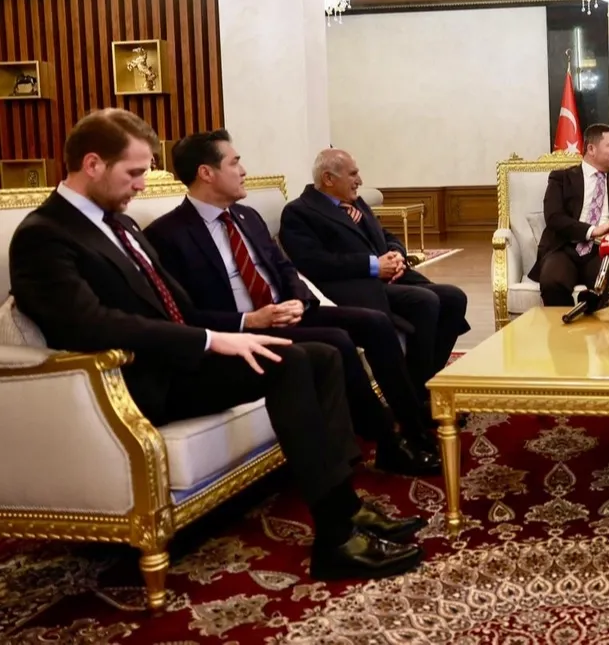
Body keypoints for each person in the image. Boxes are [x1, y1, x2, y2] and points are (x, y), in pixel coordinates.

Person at [8, 110, 421, 580]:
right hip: (130, 383)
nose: (142, 185)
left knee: (322, 355)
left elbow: (176, 303)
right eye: (135, 172)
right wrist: (211, 338)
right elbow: (90, 324)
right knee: (287, 362)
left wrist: (228, 333)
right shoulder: (44, 235)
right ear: (93, 164)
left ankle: (345, 507)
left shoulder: (119, 224)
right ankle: (335, 539)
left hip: (177, 363)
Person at [144, 130, 441, 476]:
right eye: (235, 163)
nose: (243, 171)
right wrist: (251, 320)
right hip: (244, 329)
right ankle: (388, 442)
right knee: (337, 341)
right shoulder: (167, 235)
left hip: (288, 312)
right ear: (206, 173)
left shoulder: (247, 216)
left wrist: (298, 300)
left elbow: (285, 268)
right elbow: (184, 313)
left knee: (374, 321)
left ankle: (414, 426)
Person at [278, 149, 470, 387]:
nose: (359, 180)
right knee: (424, 300)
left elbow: (386, 235)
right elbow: (314, 262)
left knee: (454, 297)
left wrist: (397, 254)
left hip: (390, 279)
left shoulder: (355, 203)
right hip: (354, 287)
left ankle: (428, 379)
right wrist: (374, 266)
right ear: (328, 178)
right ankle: (417, 390)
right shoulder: (299, 212)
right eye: (353, 174)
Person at [528, 124, 609, 307]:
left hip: (603, 251)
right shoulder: (561, 178)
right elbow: (554, 217)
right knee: (552, 282)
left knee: (607, 284)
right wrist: (593, 231)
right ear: (591, 149)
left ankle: (597, 325)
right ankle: (564, 325)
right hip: (564, 248)